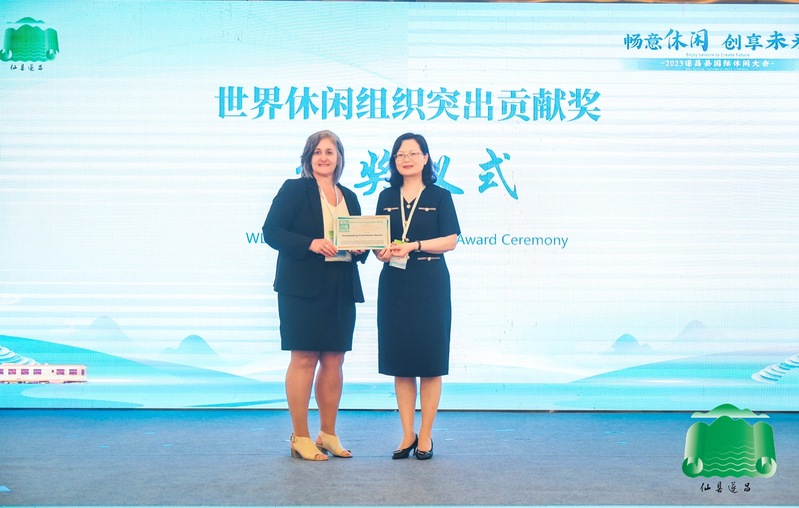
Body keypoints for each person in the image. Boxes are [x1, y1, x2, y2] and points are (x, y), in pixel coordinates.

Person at [262, 130, 368, 461]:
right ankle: (300, 436)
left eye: (330, 152)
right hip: (301, 288)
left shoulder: (350, 196)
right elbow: (271, 231)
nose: (324, 157)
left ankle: (328, 434)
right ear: (308, 158)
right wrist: (310, 243)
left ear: (339, 158)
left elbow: (359, 242)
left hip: (341, 287)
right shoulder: (295, 189)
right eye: (317, 152)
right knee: (304, 358)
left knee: (334, 361)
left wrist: (361, 248)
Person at [374, 133, 461, 460]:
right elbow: (378, 240)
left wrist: (415, 245)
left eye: (413, 153)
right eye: (400, 155)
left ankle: (425, 435)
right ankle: (407, 433)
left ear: (426, 158)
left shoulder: (440, 196)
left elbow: (450, 240)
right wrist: (381, 251)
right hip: (395, 283)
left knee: (430, 361)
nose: (406, 159)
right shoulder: (386, 196)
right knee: (401, 362)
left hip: (430, 282)